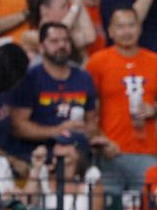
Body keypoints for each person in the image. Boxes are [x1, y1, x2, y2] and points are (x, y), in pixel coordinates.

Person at [87, 7, 157, 192]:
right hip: (111, 149)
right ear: (110, 31)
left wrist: (154, 109)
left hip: (147, 150)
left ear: (139, 28)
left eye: (131, 25)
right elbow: (89, 109)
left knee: (145, 209)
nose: (127, 32)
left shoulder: (155, 60)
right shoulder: (97, 61)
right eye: (120, 26)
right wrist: (101, 140)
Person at [7, 22, 97, 163]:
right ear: (41, 47)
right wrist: (57, 131)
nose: (62, 45)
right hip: (37, 159)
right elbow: (17, 126)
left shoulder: (84, 78)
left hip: (77, 159)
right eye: (54, 41)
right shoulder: (29, 79)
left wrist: (87, 131)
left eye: (66, 40)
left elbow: (91, 120)